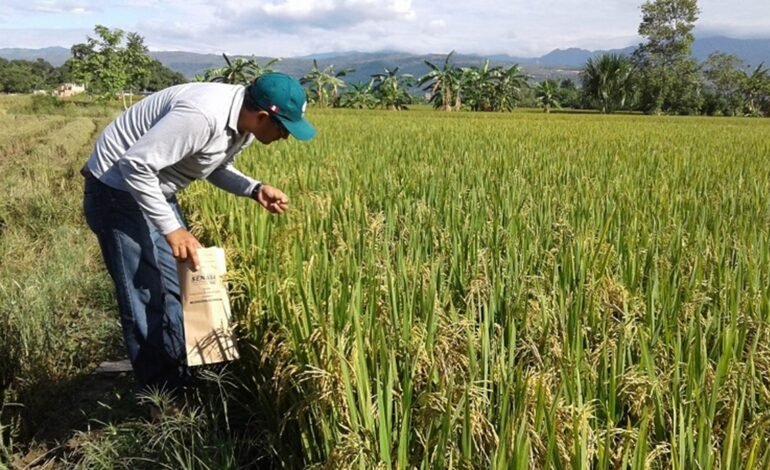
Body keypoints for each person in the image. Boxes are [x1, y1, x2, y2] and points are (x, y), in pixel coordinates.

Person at [81, 72, 315, 393]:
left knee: (181, 283)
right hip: (116, 189)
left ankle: (181, 370)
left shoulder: (242, 126)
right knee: (144, 292)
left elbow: (213, 165)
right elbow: (135, 165)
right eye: (284, 129)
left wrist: (254, 188)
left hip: (155, 187)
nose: (286, 138)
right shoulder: (202, 116)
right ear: (263, 116)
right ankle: (161, 395)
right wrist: (173, 229)